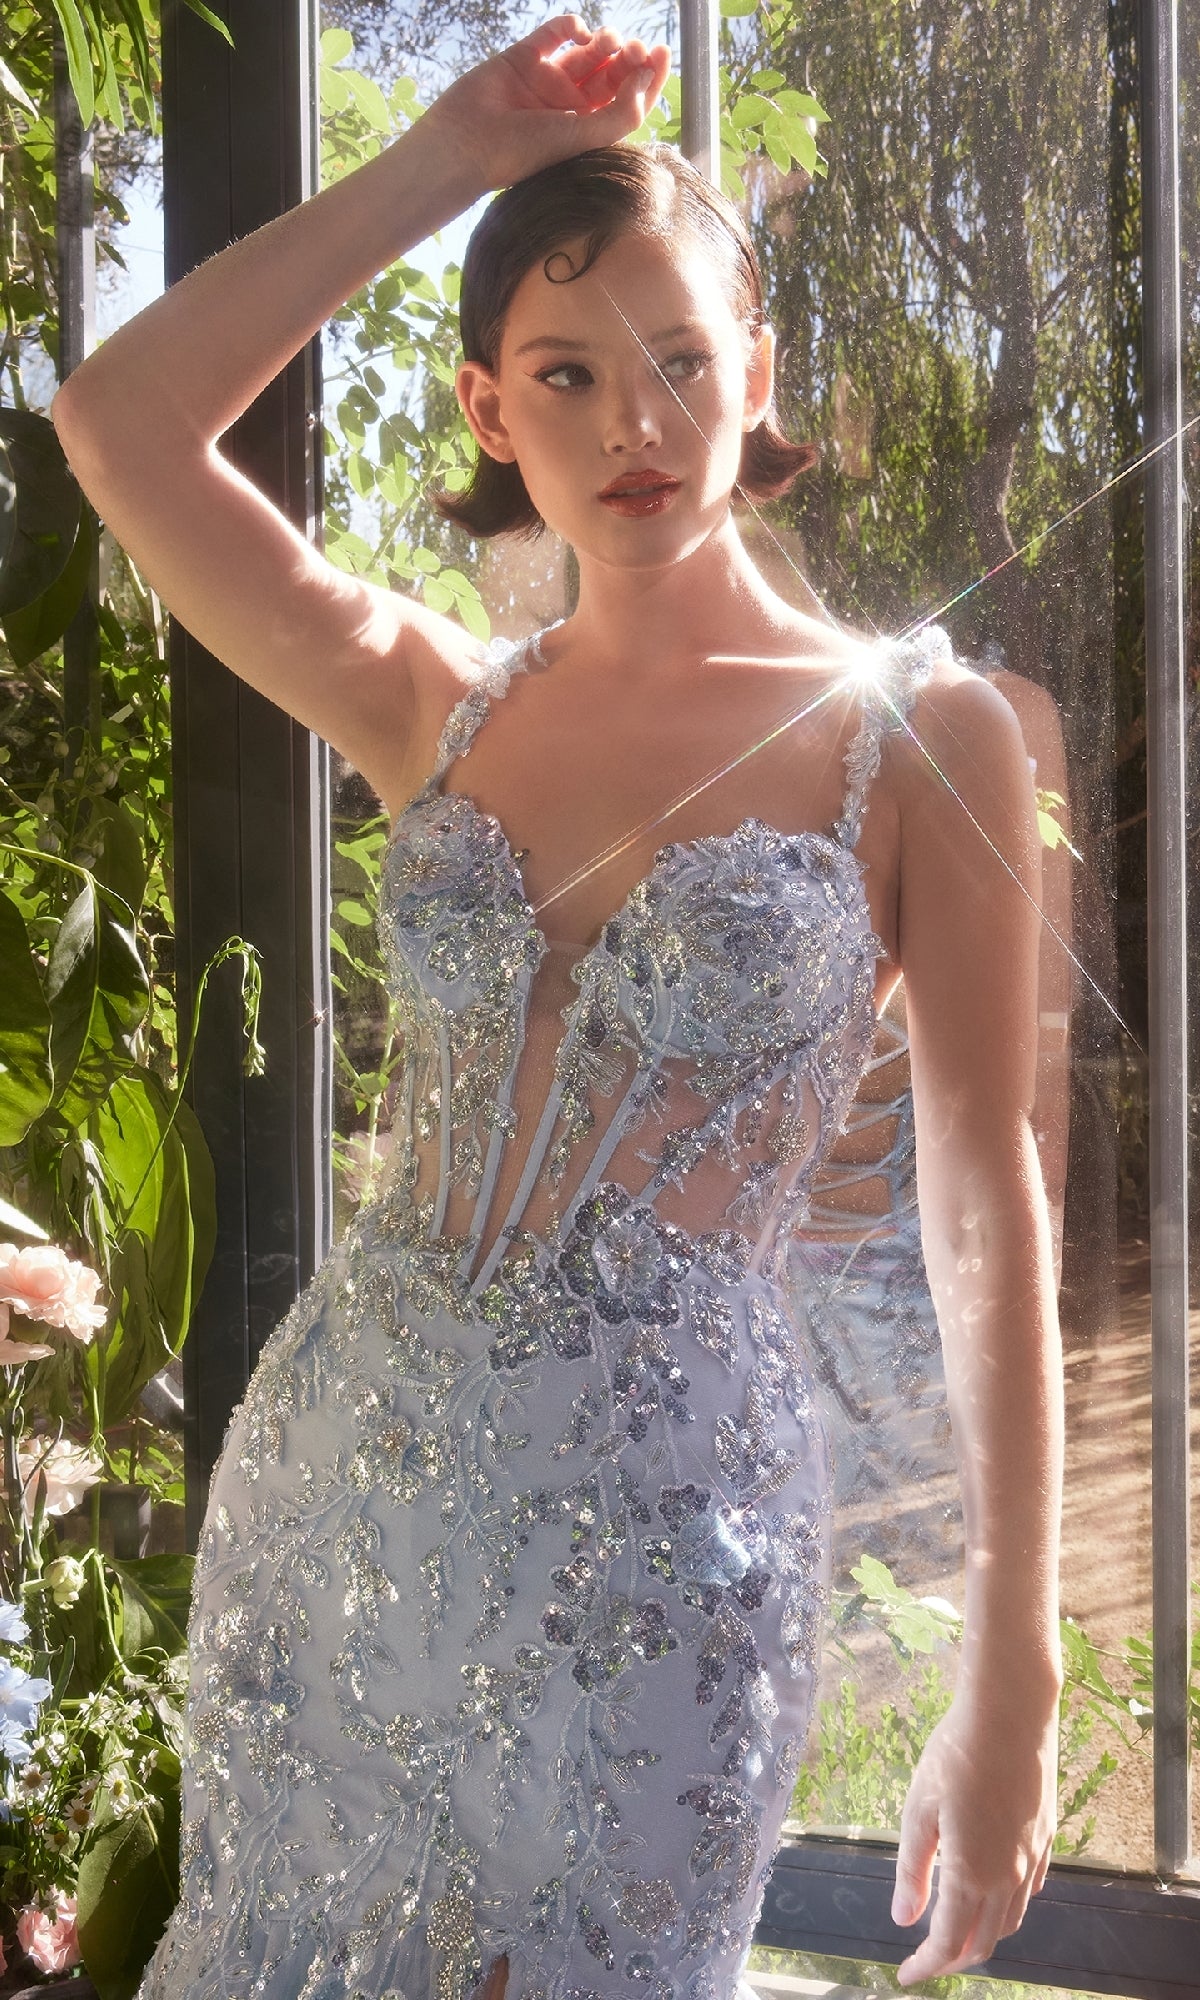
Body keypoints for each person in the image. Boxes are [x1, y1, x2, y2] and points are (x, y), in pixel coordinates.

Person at [51, 19, 1064, 1999]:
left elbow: (980, 1199)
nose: (637, 420)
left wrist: (1009, 1653)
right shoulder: (434, 698)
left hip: (671, 1555)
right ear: (493, 411)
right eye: (570, 373)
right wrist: (448, 157)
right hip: (344, 1494)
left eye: (686, 360)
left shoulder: (915, 734)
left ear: (761, 381)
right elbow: (117, 423)